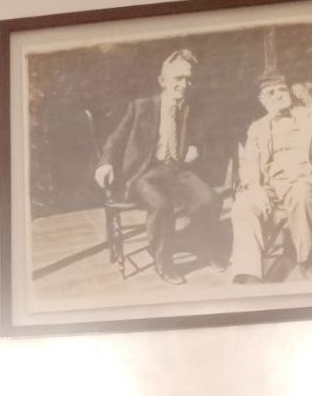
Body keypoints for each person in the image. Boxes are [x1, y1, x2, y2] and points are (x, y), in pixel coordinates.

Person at [94, 49, 225, 285]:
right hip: (145, 174)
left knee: (209, 200)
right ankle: (164, 263)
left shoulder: (193, 108)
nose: (184, 85)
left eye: (188, 79)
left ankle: (204, 247)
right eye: (178, 78)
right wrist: (105, 164)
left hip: (179, 171)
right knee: (162, 206)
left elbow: (207, 139)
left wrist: (196, 149)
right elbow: (115, 139)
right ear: (162, 81)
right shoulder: (141, 107)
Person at [230, 71, 312, 283]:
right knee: (244, 205)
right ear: (262, 100)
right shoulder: (257, 128)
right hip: (271, 186)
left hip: (306, 179)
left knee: (301, 192)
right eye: (270, 93)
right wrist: (255, 187)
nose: (279, 95)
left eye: (282, 90)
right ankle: (249, 271)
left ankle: (306, 259)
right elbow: (249, 163)